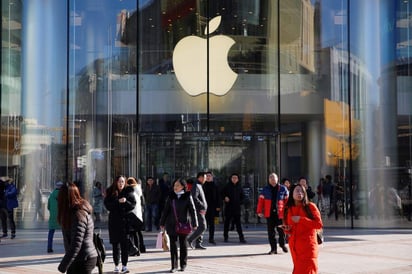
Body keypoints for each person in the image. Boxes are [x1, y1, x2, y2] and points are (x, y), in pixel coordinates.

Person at [57, 182, 98, 274]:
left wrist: (63, 265)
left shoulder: (78, 215)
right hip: (78, 258)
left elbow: (76, 243)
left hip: (84, 258)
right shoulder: (71, 212)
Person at [283, 183, 323, 274]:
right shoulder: (289, 209)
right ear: (291, 194)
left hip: (308, 248)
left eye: (302, 191)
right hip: (295, 248)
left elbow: (319, 224)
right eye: (297, 190)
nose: (300, 193)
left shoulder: (310, 206)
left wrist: (301, 219)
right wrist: (286, 229)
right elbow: (290, 228)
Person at [160, 178, 198, 273]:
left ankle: (183, 265)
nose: (175, 187)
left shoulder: (187, 196)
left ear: (182, 186)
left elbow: (193, 210)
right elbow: (165, 211)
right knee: (173, 245)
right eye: (174, 185)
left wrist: (195, 223)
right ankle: (174, 266)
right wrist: (162, 223)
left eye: (177, 185)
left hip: (184, 224)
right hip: (171, 224)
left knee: (183, 245)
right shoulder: (170, 196)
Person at [104, 175, 136, 273]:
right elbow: (108, 206)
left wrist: (125, 202)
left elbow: (132, 205)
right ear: (115, 182)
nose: (121, 184)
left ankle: (125, 266)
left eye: (122, 181)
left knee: (124, 245)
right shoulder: (110, 192)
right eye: (119, 181)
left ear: (125, 182)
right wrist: (117, 202)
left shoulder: (129, 192)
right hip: (114, 222)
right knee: (115, 245)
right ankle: (116, 265)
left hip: (125, 222)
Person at [256, 172, 289, 254]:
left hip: (280, 213)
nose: (272, 179)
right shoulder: (265, 189)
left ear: (277, 179)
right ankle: (273, 249)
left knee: (281, 231)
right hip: (269, 213)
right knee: (271, 232)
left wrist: (288, 211)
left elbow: (287, 201)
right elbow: (261, 201)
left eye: (274, 178)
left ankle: (282, 244)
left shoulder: (283, 189)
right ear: (269, 180)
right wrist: (259, 211)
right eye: (271, 178)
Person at [222, 173, 246, 243]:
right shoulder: (227, 186)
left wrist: (240, 202)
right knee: (227, 223)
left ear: (238, 179)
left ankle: (241, 238)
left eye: (236, 178)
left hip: (237, 208)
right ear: (231, 178)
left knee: (238, 224)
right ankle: (225, 237)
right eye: (233, 178)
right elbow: (221, 193)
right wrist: (225, 197)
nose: (234, 179)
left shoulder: (239, 187)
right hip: (229, 207)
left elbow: (243, 197)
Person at [186, 173, 208, 249]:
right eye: (205, 178)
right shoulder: (196, 185)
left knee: (201, 227)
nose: (206, 179)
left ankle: (198, 243)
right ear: (200, 177)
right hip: (198, 209)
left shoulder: (199, 185)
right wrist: (202, 205)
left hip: (201, 209)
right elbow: (194, 198)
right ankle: (190, 239)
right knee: (203, 226)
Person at [126, 177, 146, 254]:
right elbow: (143, 202)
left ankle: (135, 249)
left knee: (132, 233)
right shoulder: (138, 191)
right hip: (138, 214)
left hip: (132, 214)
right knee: (138, 233)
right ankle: (141, 248)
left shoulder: (130, 191)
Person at [203, 171, 220, 245]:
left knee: (212, 224)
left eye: (209, 176)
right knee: (203, 224)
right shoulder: (202, 185)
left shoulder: (215, 186)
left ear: (212, 177)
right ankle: (199, 238)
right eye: (207, 176)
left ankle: (211, 238)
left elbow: (218, 197)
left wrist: (218, 206)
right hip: (204, 207)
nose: (208, 177)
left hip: (212, 207)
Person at [47, 181, 63, 253]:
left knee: (51, 233)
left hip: (53, 217)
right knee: (65, 233)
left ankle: (49, 247)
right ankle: (67, 247)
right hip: (62, 217)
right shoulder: (64, 195)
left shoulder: (51, 195)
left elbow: (48, 207)